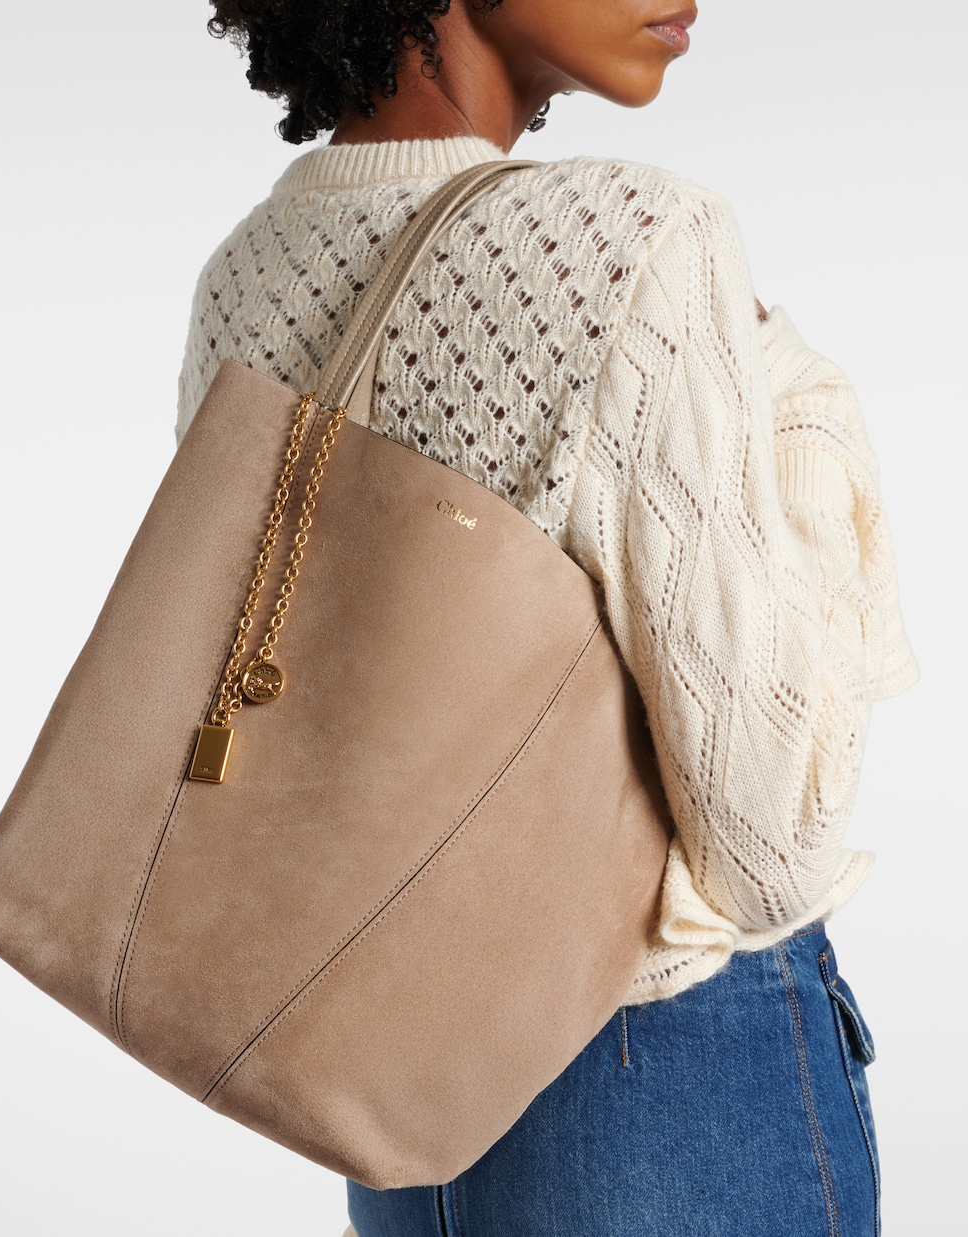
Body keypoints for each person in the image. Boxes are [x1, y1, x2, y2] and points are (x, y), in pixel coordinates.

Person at [177, 3, 918, 1233]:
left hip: (386, 1082)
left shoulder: (246, 273)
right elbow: (769, 850)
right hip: (652, 1070)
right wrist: (796, 402)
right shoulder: (636, 239)